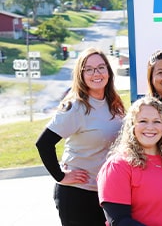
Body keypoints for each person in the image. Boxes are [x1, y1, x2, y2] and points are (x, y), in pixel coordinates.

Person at [35, 47, 125, 226]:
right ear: (81, 75)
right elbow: (43, 143)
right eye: (89, 69)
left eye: (101, 67)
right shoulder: (75, 107)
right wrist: (60, 176)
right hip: (78, 194)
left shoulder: (114, 103)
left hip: (106, 193)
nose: (96, 73)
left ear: (108, 71)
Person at [97, 95, 162, 226]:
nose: (150, 127)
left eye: (157, 121)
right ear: (132, 125)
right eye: (143, 121)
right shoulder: (118, 166)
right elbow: (118, 221)